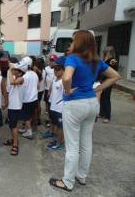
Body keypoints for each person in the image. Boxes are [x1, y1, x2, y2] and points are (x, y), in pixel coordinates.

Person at [49, 30, 120, 191]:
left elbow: (66, 78)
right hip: (92, 103)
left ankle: (67, 181)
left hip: (75, 105)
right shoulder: (97, 60)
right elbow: (115, 76)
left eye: (73, 41)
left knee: (72, 145)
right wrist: (97, 89)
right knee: (86, 142)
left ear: (80, 42)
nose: (71, 44)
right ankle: (81, 176)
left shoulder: (73, 58)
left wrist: (67, 91)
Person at [4, 60, 25, 156]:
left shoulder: (21, 78)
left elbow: (12, 82)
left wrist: (9, 70)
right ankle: (13, 140)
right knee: (11, 125)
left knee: (14, 126)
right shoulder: (16, 77)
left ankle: (15, 144)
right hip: (12, 105)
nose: (13, 71)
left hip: (16, 106)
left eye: (15, 70)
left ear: (20, 72)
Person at [18, 57, 39, 139]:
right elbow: (37, 86)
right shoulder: (34, 74)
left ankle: (29, 132)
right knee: (29, 115)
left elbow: (21, 87)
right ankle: (26, 129)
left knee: (26, 117)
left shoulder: (25, 76)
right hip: (34, 99)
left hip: (27, 100)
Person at [46, 64, 64, 151]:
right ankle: (57, 140)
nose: (55, 72)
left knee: (61, 127)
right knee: (56, 125)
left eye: (57, 70)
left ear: (63, 70)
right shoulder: (55, 79)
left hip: (60, 108)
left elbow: (67, 94)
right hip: (53, 106)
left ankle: (59, 143)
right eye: (54, 70)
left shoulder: (64, 81)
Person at [99, 46, 118, 123]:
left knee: (106, 98)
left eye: (106, 52)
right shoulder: (105, 59)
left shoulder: (112, 60)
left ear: (110, 53)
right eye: (105, 52)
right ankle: (102, 113)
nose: (105, 54)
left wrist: (107, 60)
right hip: (103, 80)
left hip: (109, 81)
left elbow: (112, 69)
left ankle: (107, 116)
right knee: (102, 97)